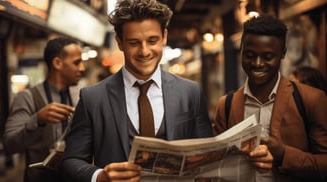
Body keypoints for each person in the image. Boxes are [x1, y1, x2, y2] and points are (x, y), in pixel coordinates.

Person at [62, 0, 272, 181]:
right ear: (119, 42)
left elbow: (209, 156)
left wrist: (247, 156)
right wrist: (100, 176)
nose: (144, 51)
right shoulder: (92, 98)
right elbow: (71, 160)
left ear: (164, 36)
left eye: (152, 41)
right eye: (134, 42)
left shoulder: (190, 92)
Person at [213, 15, 327, 181]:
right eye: (250, 55)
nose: (257, 63)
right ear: (241, 50)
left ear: (283, 54)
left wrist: (283, 155)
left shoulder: (311, 99)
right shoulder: (227, 105)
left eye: (267, 57)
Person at [3, 37, 85, 182]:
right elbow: (9, 145)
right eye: (77, 62)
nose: (82, 68)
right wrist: (37, 120)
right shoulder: (27, 97)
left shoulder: (79, 96)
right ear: (57, 63)